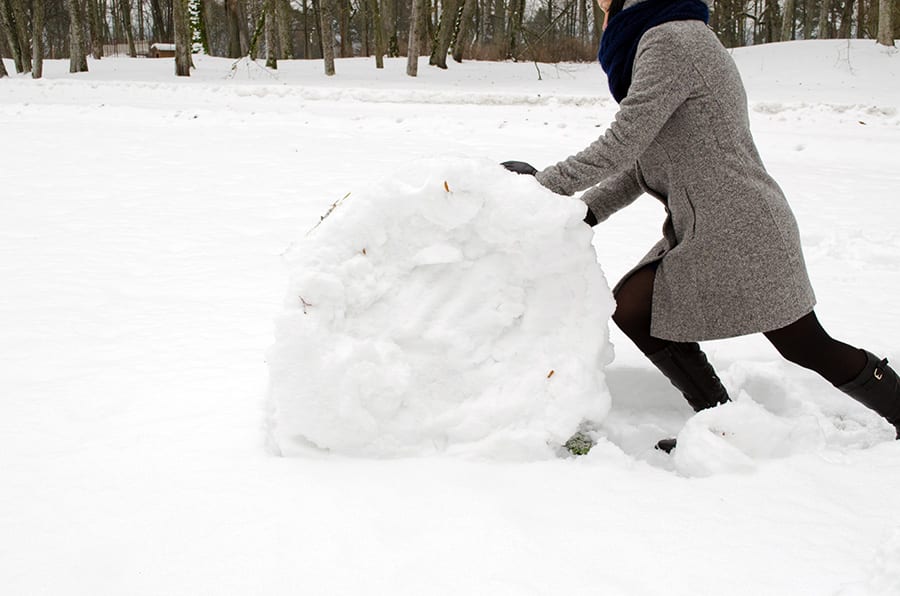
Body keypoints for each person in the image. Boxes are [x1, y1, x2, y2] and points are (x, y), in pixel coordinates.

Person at [503, 0, 899, 449]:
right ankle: (720, 424)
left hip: (745, 225)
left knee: (806, 345)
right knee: (634, 307)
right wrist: (583, 211)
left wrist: (543, 186)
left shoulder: (673, 39)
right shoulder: (653, 37)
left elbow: (623, 142)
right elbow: (640, 165)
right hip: (707, 227)